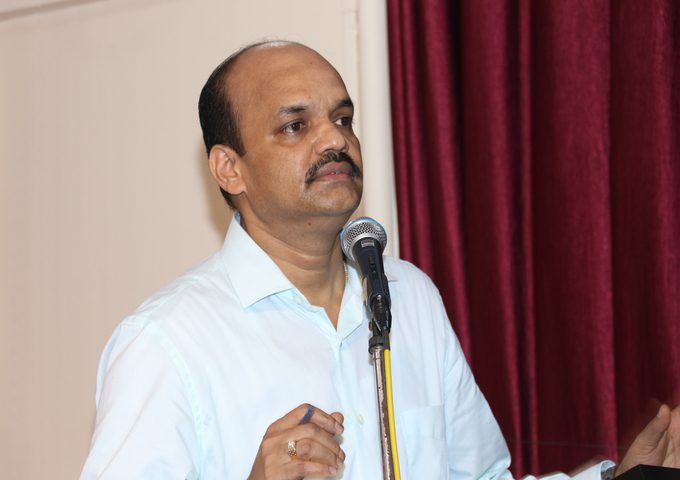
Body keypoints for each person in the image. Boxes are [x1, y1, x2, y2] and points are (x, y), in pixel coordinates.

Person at [80, 40, 680, 479]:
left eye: (342, 119)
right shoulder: (166, 342)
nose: (335, 139)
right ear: (229, 168)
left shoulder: (408, 295)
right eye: (295, 126)